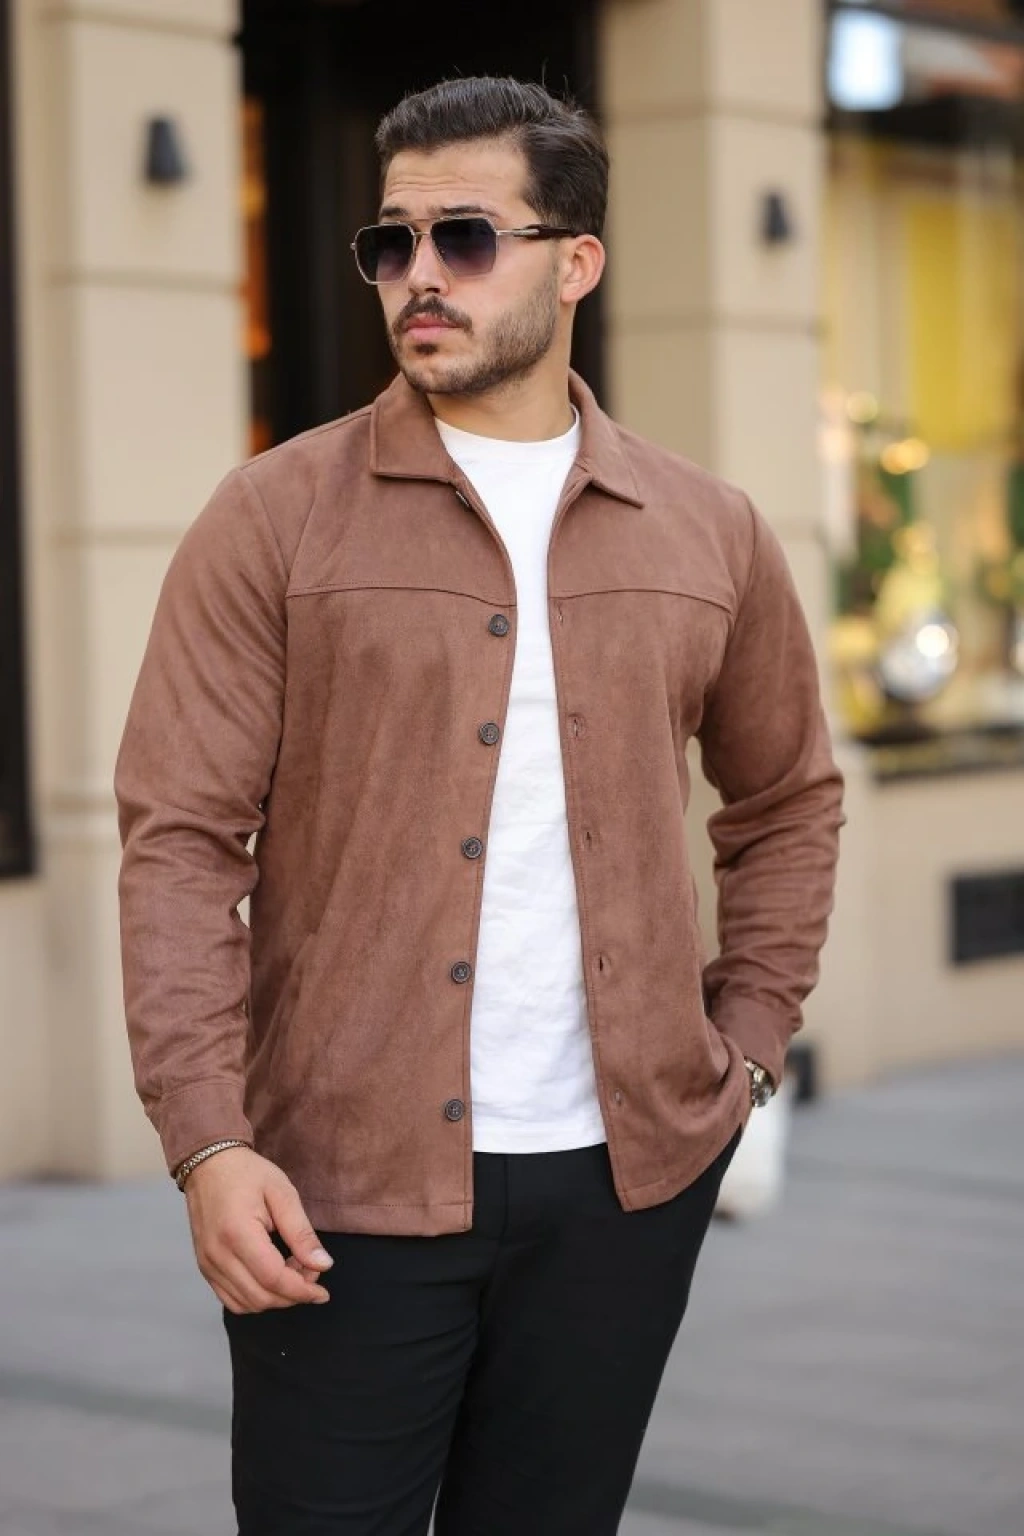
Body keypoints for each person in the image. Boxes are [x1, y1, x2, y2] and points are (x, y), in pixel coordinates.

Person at [115, 75, 844, 1536]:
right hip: (340, 1190)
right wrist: (209, 1138)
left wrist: (749, 1047)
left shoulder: (708, 531)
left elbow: (786, 801)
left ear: (577, 263)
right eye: (391, 244)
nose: (420, 277)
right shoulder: (276, 516)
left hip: (627, 1186)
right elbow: (180, 843)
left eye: (464, 237)